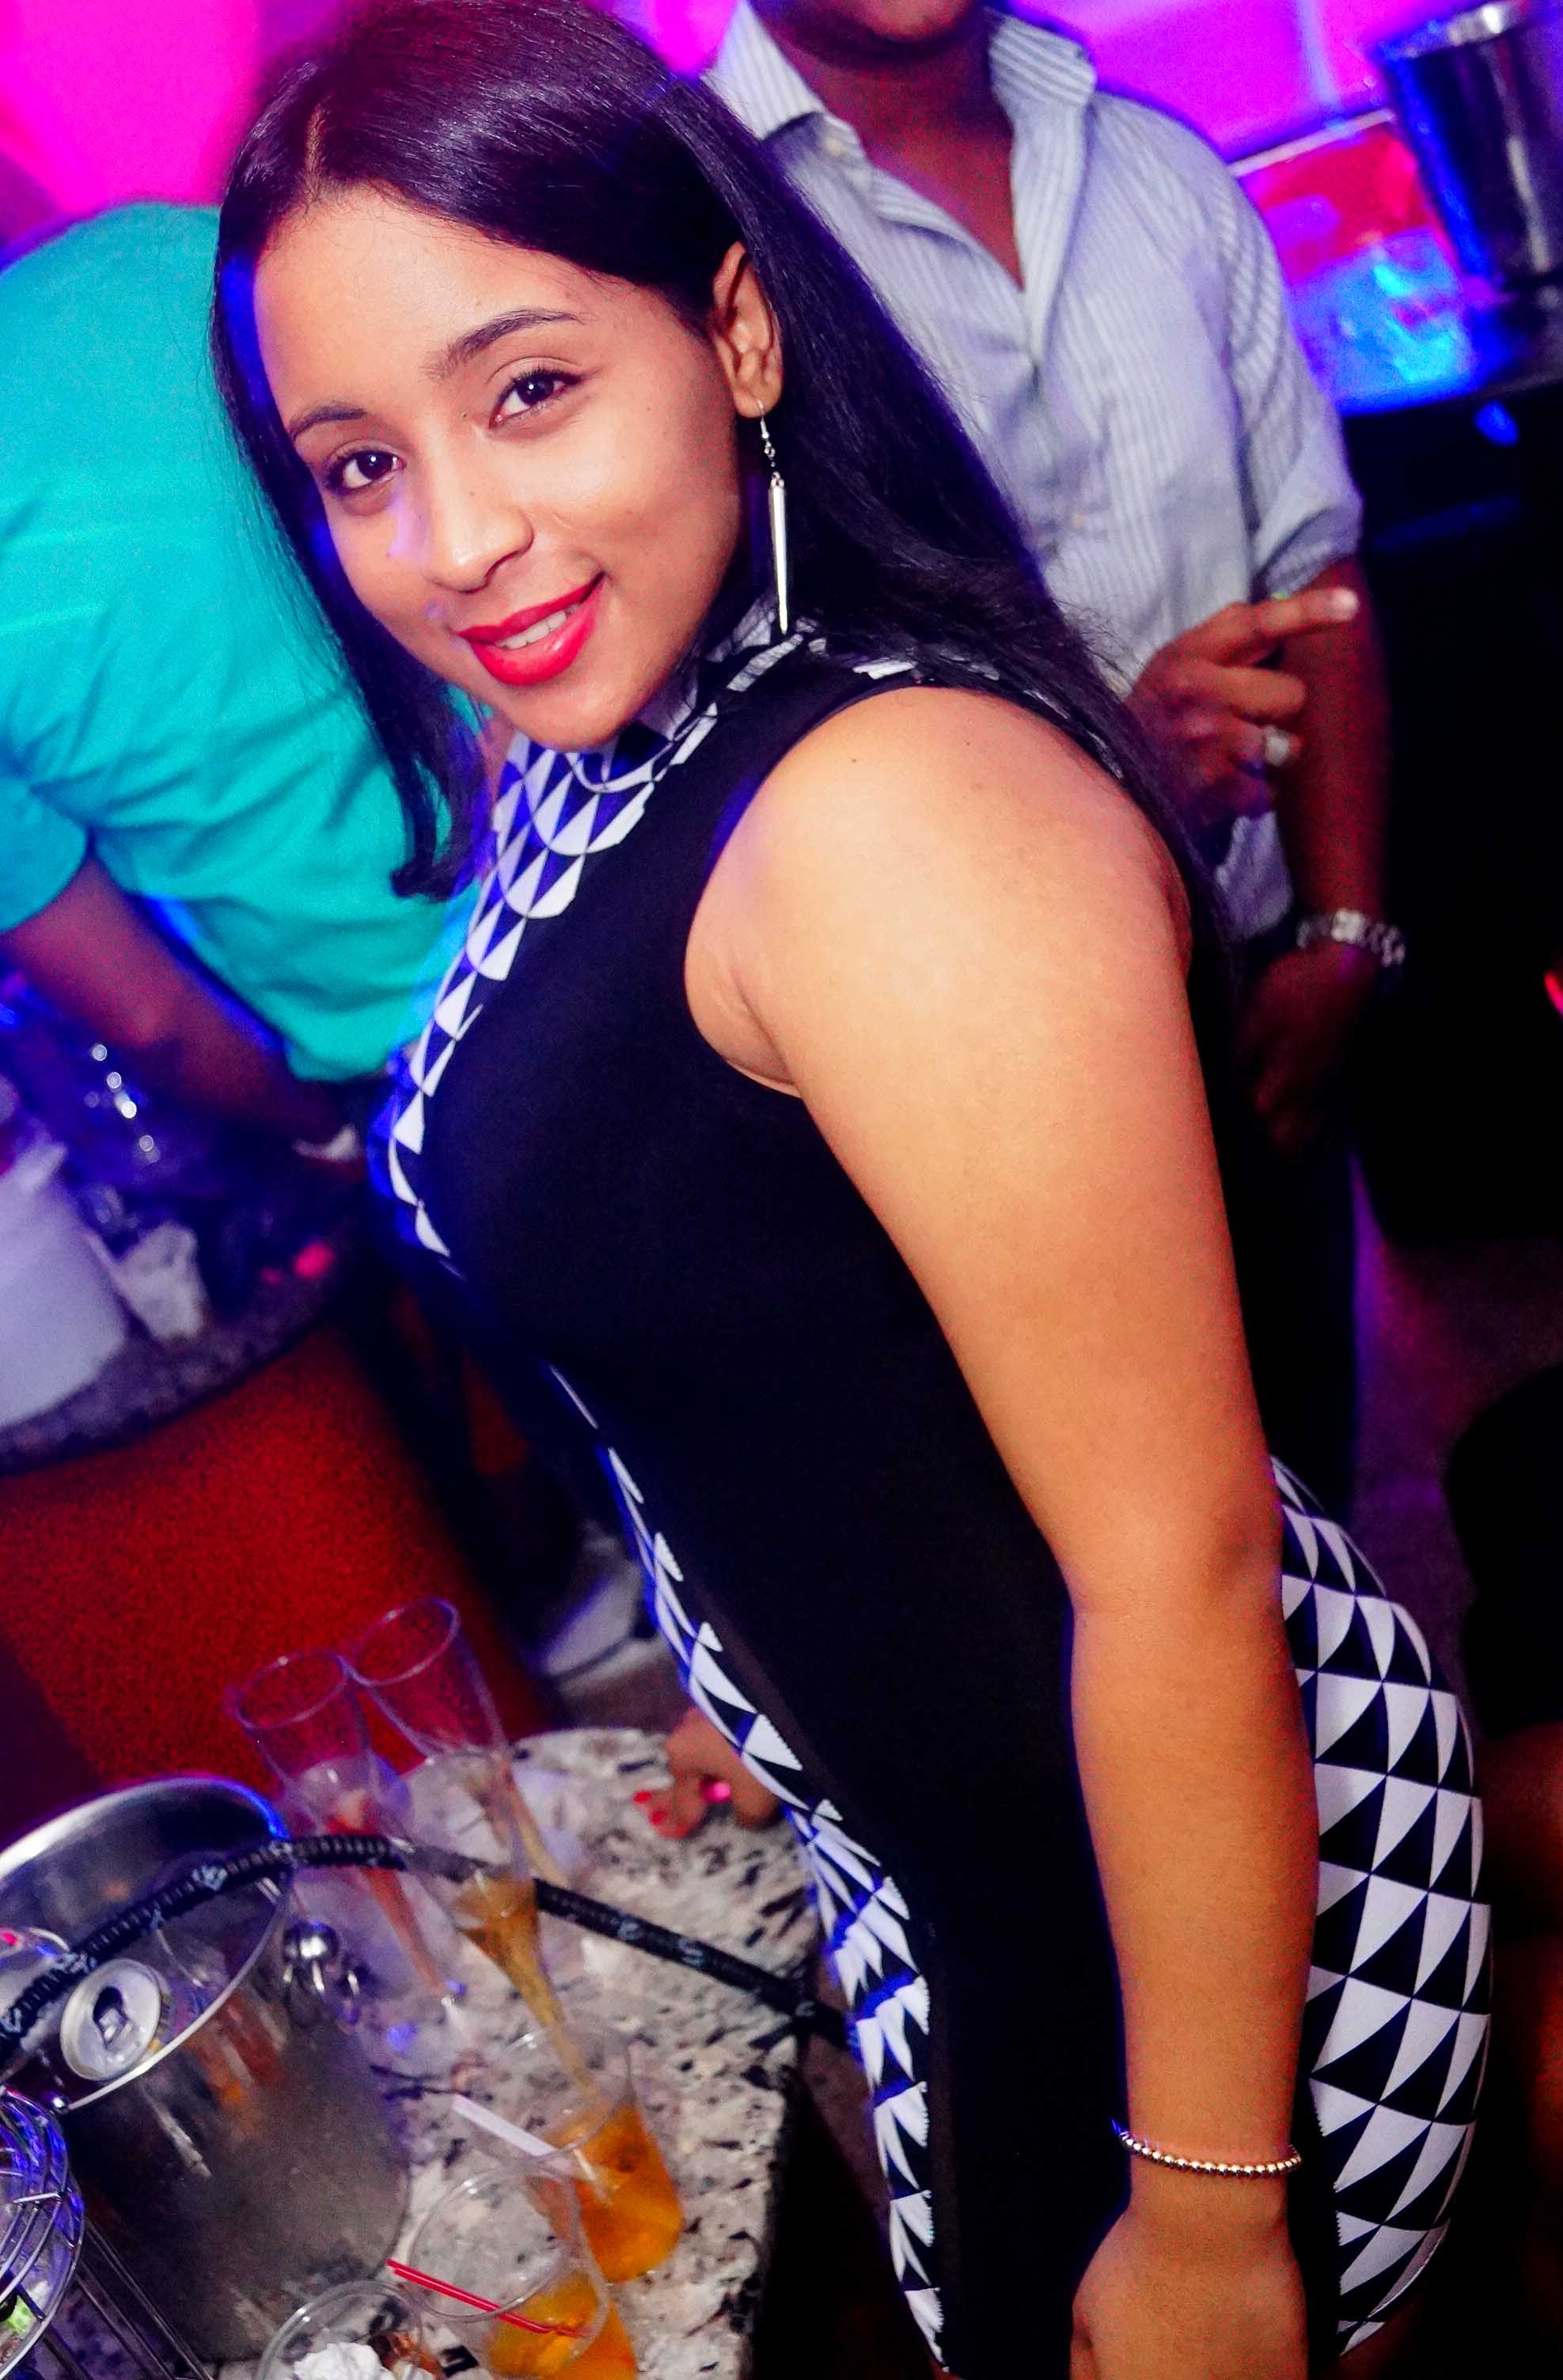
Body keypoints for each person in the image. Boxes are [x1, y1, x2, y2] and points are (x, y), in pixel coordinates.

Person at [213, 3, 1486, 2371]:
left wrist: (1213, 2216)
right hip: (958, 1843)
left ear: (735, 327)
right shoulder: (620, 714)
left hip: (1167, 1933)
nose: (453, 539)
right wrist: (765, 1649)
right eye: (359, 462)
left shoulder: (897, 818)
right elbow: (753, 1274)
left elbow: (1181, 1565)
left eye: (528, 390)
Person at [707, 0, 1396, 1514]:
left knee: (1321, 1520)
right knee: (1128, 1561)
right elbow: (727, 735)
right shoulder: (686, 237)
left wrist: (1344, 935)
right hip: (966, 1092)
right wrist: (1102, 774)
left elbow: (1318, 565)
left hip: (1262, 1005)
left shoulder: (1155, 166)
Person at [0, 204, 461, 1152]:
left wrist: (325, 1143)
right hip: (595, 823)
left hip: (425, 1049)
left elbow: (149, 1022)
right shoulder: (158, 247)